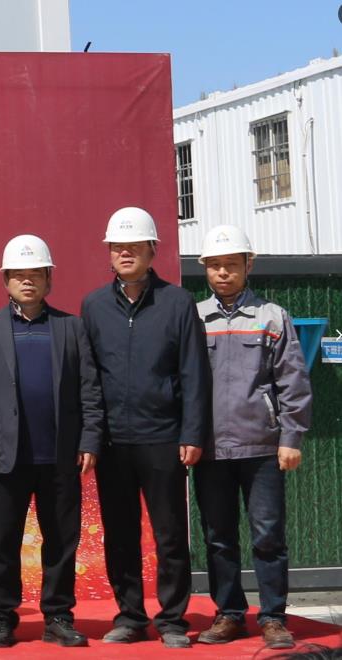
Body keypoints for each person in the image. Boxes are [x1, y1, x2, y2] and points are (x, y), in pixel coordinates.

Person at [80, 207, 210, 648]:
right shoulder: (94, 306)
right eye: (118, 247)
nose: (125, 253)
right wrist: (92, 436)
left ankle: (172, 619)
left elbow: (194, 372)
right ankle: (130, 616)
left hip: (164, 437)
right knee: (120, 534)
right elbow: (89, 379)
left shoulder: (177, 303)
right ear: (109, 253)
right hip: (113, 442)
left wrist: (192, 432)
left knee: (171, 534)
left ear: (153, 250)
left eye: (134, 246)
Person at [0, 234, 100, 649]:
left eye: (36, 275)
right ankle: (1, 617)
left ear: (48, 280)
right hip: (7, 455)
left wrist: (90, 439)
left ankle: (58, 616)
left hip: (60, 455)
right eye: (19, 275)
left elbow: (90, 390)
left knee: (61, 541)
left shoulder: (71, 327)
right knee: (1, 542)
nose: (28, 281)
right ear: (5, 280)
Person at [191, 225, 312, 650]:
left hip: (263, 446)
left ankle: (274, 617)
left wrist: (291, 437)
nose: (223, 272)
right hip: (209, 449)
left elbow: (293, 382)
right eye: (215, 265)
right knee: (218, 536)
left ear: (249, 265)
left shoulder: (272, 317)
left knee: (268, 535)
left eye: (231, 264)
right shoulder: (194, 318)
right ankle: (228, 614)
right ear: (205, 269)